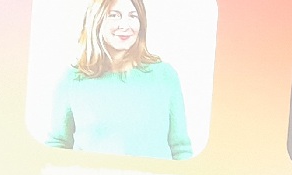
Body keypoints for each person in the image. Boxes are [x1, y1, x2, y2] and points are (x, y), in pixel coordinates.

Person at [46, 0, 193, 160]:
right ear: (96, 20)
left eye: (132, 16)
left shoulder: (165, 76)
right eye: (114, 15)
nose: (125, 25)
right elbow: (57, 145)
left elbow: (181, 149)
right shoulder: (72, 80)